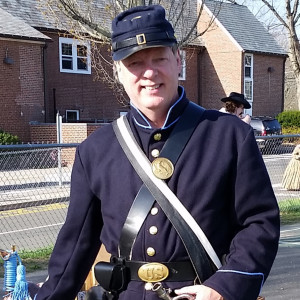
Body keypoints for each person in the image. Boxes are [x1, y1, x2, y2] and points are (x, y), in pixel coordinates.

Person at [35, 5, 280, 300]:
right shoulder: (95, 151)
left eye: (159, 58)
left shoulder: (229, 136)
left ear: (178, 60)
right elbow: (76, 244)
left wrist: (225, 288)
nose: (149, 72)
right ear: (118, 72)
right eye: (135, 63)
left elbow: (259, 223)